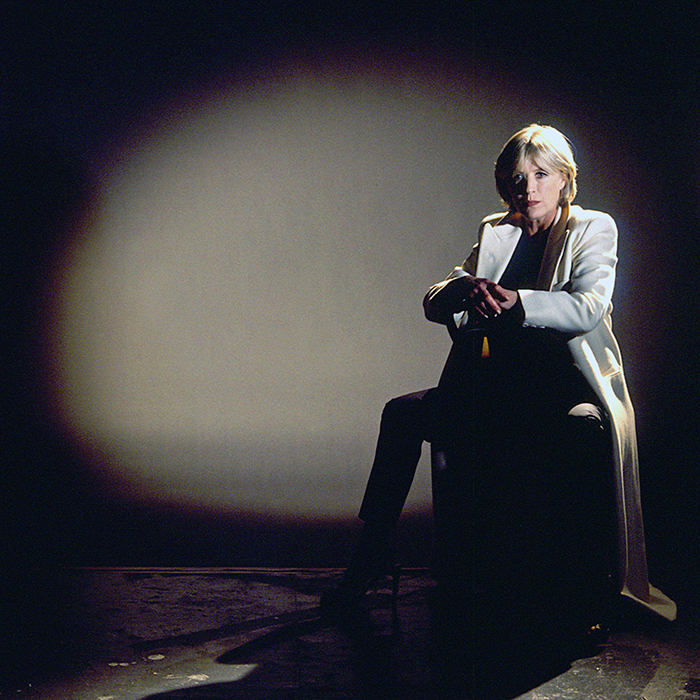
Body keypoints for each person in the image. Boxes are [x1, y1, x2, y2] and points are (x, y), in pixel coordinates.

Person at [320, 124, 676, 628]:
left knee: (581, 431)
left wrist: (517, 303)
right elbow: (437, 298)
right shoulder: (497, 229)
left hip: (562, 386)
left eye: (540, 174)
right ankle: (372, 555)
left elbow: (588, 308)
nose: (527, 188)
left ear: (564, 179)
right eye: (517, 178)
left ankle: (583, 587)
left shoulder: (593, 227)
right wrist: (463, 291)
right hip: (492, 386)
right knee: (401, 415)